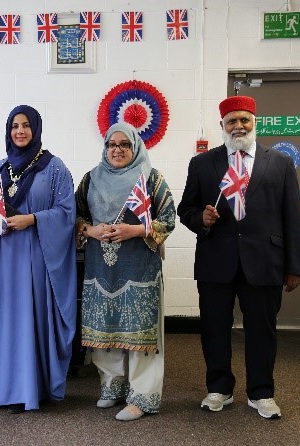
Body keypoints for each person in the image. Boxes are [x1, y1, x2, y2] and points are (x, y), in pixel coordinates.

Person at [177, 96, 300, 419]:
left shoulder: (279, 163)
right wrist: (199, 219)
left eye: (244, 120)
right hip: (215, 261)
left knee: (262, 330)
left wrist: (294, 267)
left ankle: (261, 392)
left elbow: (292, 218)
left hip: (264, 262)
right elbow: (185, 209)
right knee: (215, 328)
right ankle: (219, 388)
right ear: (222, 126)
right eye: (232, 121)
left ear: (254, 123)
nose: (238, 126)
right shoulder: (202, 164)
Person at [0, 105, 77, 414]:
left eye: (26, 125)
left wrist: (32, 219)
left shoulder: (54, 168)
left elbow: (68, 213)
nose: (20, 131)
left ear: (36, 129)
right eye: (15, 125)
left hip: (34, 257)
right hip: (1, 257)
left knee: (25, 322)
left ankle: (25, 390)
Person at [74, 122, 175, 421]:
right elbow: (76, 216)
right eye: (111, 145)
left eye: (124, 145)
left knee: (140, 332)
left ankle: (142, 396)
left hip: (139, 268)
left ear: (135, 147)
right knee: (105, 326)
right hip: (100, 268)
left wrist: (136, 229)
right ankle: (111, 385)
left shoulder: (152, 179)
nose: (117, 150)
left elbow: (168, 219)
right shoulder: (91, 178)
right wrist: (90, 230)